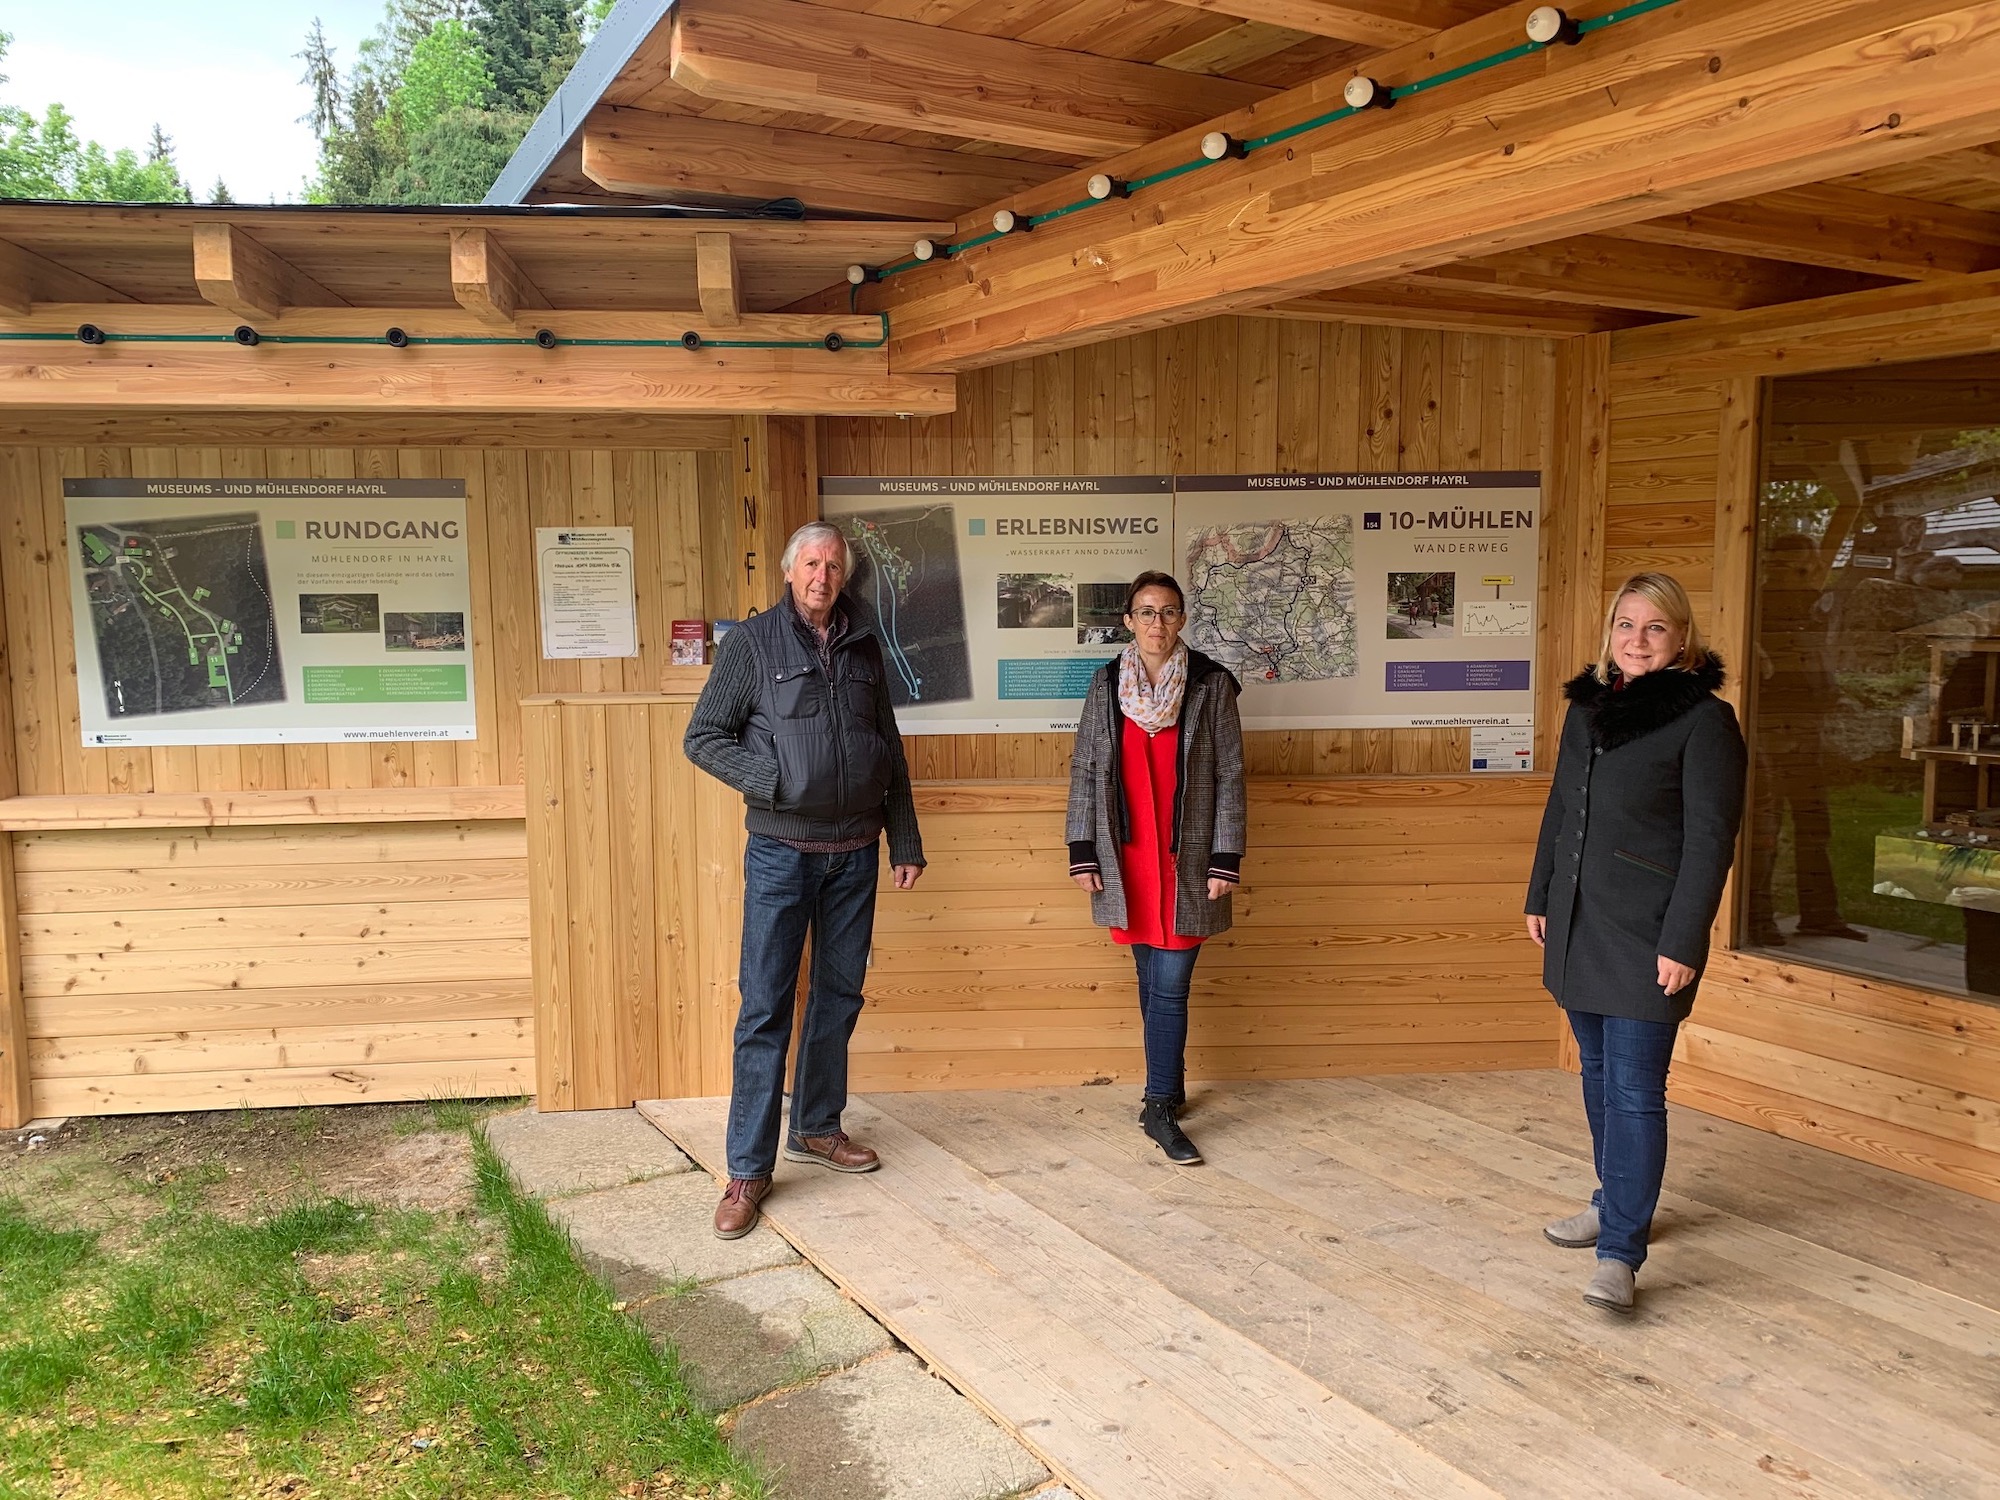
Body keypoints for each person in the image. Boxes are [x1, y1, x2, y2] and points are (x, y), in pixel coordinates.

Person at [684, 520, 925, 1240]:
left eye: (832, 565)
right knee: (765, 1006)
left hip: (855, 854)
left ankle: (817, 1126)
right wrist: (773, 779)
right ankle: (747, 1170)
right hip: (782, 855)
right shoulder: (752, 645)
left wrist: (904, 836)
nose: (822, 576)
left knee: (839, 996)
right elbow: (703, 736)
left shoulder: (862, 644)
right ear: (791, 572)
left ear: (843, 575)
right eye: (810, 564)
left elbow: (888, 744)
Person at [1526, 573, 1745, 1315]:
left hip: (1651, 936)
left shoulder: (1705, 723)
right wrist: (1540, 896)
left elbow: (1711, 843)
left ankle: (1621, 1251)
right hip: (1578, 926)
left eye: (1655, 628)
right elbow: (1562, 807)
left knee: (1634, 1092)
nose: (1638, 640)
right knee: (1595, 1075)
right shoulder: (1588, 711)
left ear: (1683, 638)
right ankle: (1612, 1198)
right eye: (1626, 625)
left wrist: (1683, 940)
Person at [1067, 571, 1246, 1165]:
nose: (1156, 624)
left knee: (1170, 987)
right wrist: (1082, 849)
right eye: (1146, 612)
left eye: (1168, 612)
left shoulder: (1211, 685)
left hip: (1189, 859)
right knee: (1150, 981)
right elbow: (1087, 772)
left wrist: (1226, 857)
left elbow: (1229, 775)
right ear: (1128, 620)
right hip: (1128, 858)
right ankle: (1163, 1090)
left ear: (1182, 620)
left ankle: (1161, 1103)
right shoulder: (1104, 684)